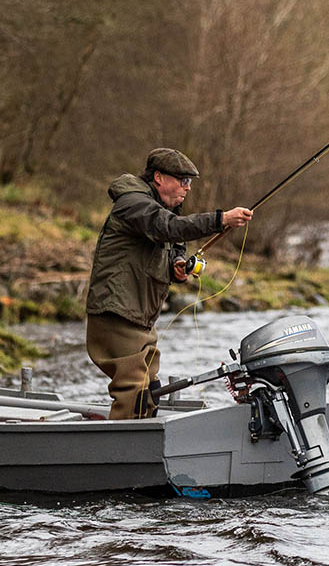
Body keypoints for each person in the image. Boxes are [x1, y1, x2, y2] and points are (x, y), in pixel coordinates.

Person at [85, 148, 253, 420]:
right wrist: (221, 220)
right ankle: (123, 452)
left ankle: (140, 445)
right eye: (182, 180)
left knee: (151, 389)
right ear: (159, 177)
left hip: (139, 317)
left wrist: (176, 262)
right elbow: (168, 227)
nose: (187, 188)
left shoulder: (161, 206)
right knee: (134, 391)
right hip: (115, 314)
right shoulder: (133, 204)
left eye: (190, 182)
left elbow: (175, 240)